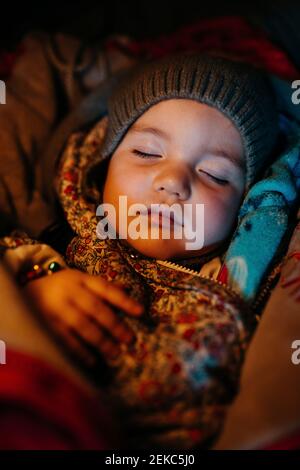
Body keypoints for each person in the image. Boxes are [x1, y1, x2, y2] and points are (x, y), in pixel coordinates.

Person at [1, 53, 295, 449]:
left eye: (215, 174)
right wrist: (33, 288)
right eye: (146, 153)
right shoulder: (54, 240)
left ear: (244, 203)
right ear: (104, 165)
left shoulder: (256, 283)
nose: (173, 181)